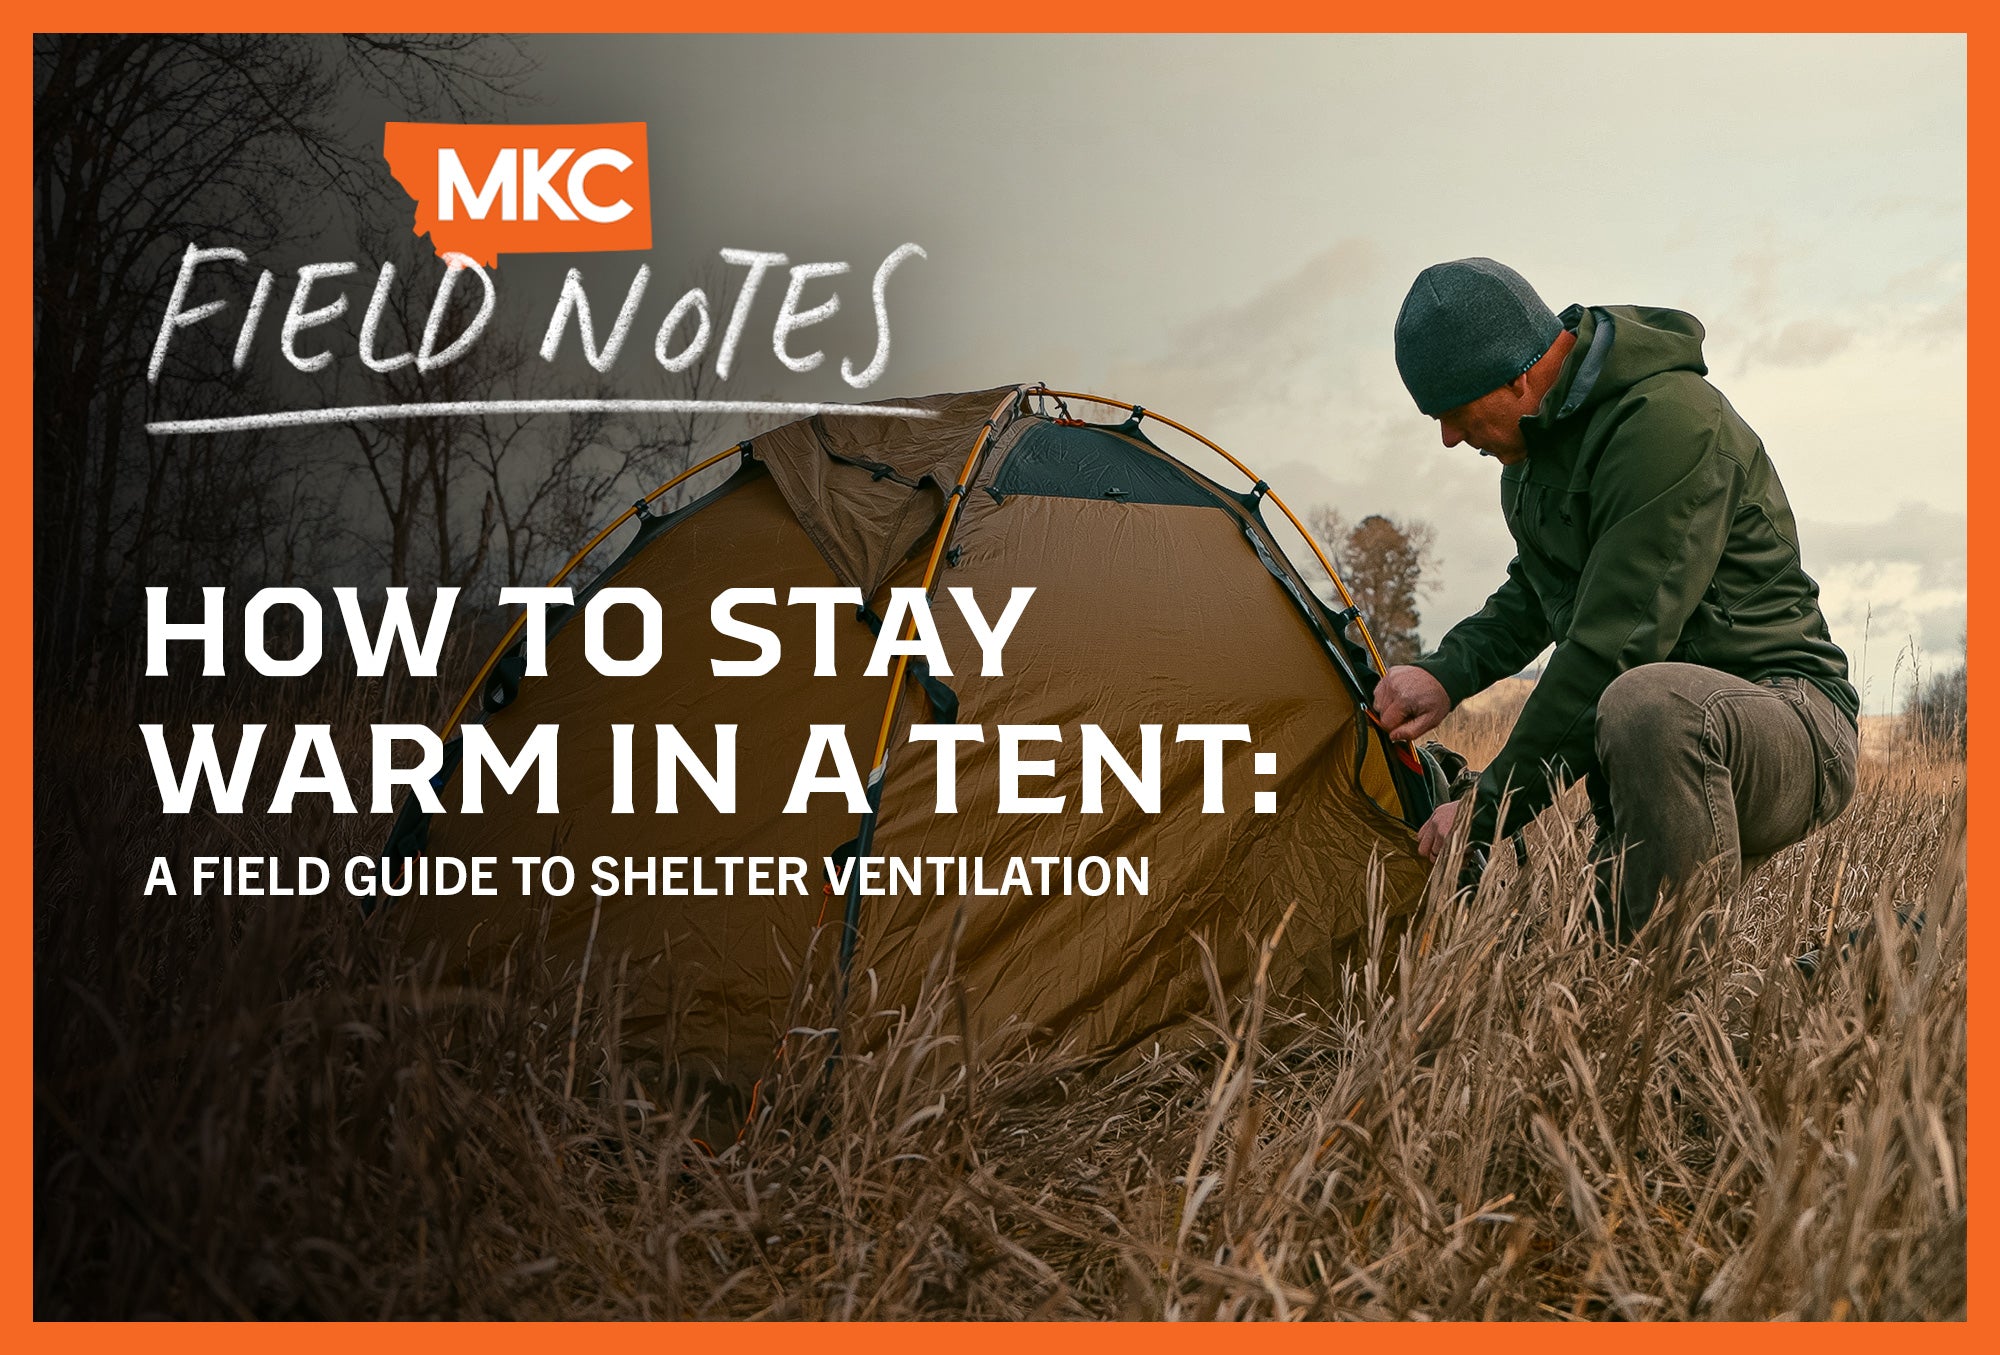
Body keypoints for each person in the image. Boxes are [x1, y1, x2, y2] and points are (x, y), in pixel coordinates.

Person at [1371, 257, 1859, 934]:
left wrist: (1485, 809)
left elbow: (1615, 648)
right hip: (1655, 751)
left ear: (1519, 375)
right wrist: (1445, 672)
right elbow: (1536, 592)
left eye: (1455, 413)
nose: (1450, 437)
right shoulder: (1528, 461)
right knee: (1587, 968)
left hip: (1786, 721)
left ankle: (1685, 1006)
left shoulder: (1670, 426)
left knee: (1646, 703)